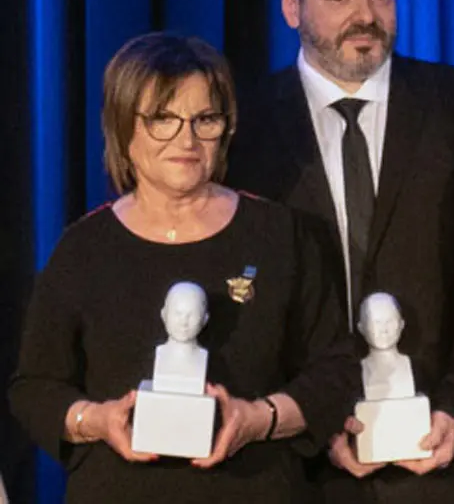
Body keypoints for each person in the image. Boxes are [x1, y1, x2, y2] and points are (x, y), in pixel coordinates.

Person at [225, 0, 454, 504]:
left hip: (448, 463)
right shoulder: (240, 129)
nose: (366, 15)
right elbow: (242, 301)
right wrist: (310, 418)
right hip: (299, 469)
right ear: (292, 7)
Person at [9, 33, 360, 503]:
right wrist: (96, 420)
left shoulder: (279, 235)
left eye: (205, 119)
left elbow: (335, 372)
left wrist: (259, 419)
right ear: (122, 126)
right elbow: (34, 387)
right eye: (163, 120)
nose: (187, 139)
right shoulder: (84, 248)